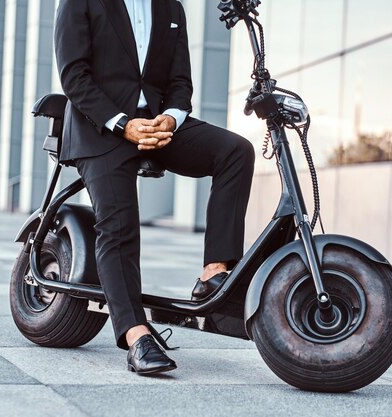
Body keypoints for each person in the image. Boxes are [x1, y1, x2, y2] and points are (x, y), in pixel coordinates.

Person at [54, 0, 255, 375]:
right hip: (101, 129)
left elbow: (181, 82)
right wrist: (121, 124)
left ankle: (214, 271)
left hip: (158, 128)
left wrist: (172, 118)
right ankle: (135, 334)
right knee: (118, 224)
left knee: (236, 152)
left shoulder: (171, 8)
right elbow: (74, 76)